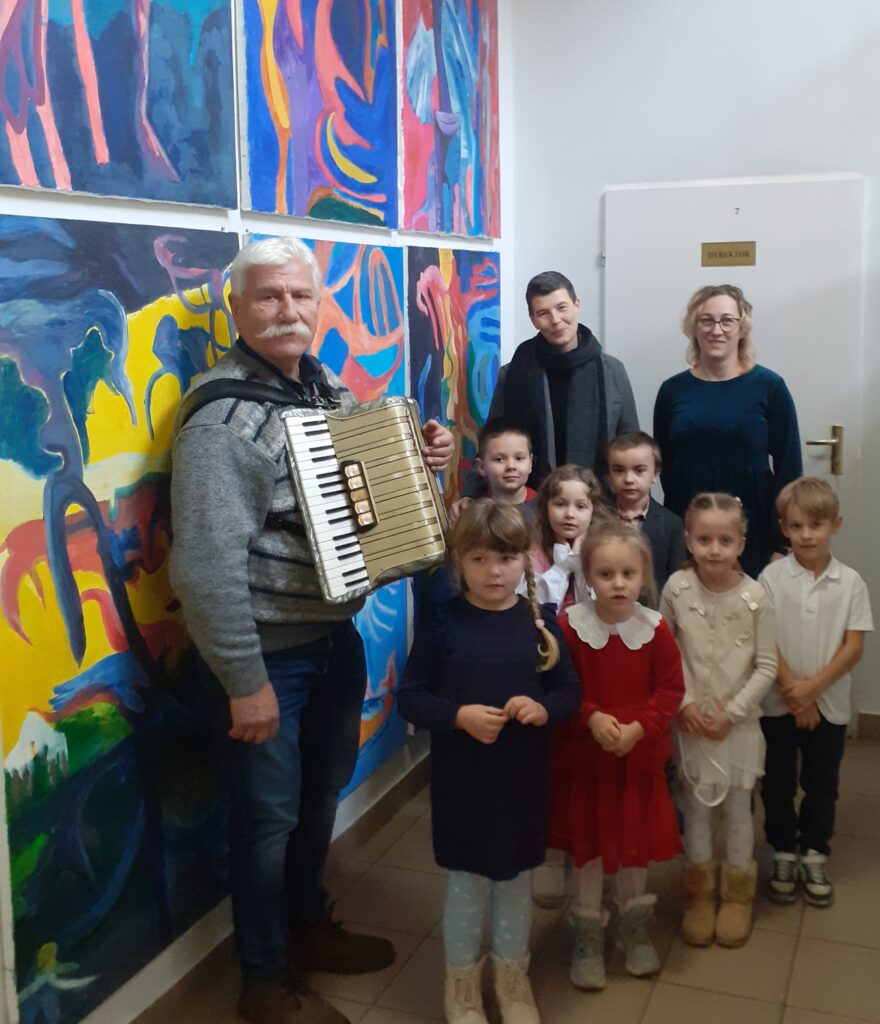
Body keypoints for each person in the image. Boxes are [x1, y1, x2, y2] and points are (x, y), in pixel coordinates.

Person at [169, 236, 454, 1024]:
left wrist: (420, 456)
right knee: (266, 823)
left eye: (301, 295)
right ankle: (264, 981)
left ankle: (305, 928)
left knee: (320, 795)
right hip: (266, 659)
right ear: (236, 308)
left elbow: (360, 486)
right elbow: (204, 569)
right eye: (268, 296)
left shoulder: (319, 387)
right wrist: (244, 680)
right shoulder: (225, 420)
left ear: (319, 304)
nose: (288, 310)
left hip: (332, 641)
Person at [398, 501, 580, 1024]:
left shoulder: (541, 623)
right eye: (478, 559)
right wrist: (458, 716)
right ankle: (461, 983)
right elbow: (411, 698)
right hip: (463, 784)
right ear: (460, 561)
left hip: (521, 783)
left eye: (504, 558)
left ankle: (511, 976)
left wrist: (542, 708)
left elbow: (569, 693)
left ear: (525, 559)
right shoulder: (443, 622)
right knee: (466, 885)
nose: (493, 572)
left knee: (515, 882)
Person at [547, 520, 684, 990]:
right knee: (588, 850)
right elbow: (561, 688)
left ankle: (633, 927)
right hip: (588, 759)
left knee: (633, 848)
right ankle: (587, 933)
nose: (618, 584)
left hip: (637, 759)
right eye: (606, 574)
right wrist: (590, 717)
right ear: (588, 576)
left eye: (628, 573)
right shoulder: (569, 628)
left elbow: (670, 690)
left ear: (644, 576)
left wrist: (640, 726)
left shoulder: (655, 629)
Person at [660, 493, 777, 949]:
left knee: (739, 809)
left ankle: (736, 895)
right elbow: (666, 653)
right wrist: (684, 703)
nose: (714, 549)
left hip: (738, 725)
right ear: (689, 540)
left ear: (740, 543)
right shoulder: (677, 589)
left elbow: (766, 666)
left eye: (725, 540)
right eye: (704, 539)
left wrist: (732, 714)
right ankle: (699, 893)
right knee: (696, 808)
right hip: (690, 723)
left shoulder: (756, 597)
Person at [759, 478, 873, 908]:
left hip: (828, 704)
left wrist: (810, 691)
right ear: (783, 528)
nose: (806, 535)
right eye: (796, 526)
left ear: (835, 525)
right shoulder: (771, 578)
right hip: (778, 702)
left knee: (822, 784)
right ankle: (783, 850)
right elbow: (763, 639)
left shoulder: (851, 583)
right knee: (777, 783)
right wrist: (793, 691)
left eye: (816, 525)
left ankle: (814, 851)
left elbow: (853, 647)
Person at [653, 284, 802, 578]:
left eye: (727, 321)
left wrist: (781, 542)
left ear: (742, 327)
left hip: (755, 529)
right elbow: (665, 468)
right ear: (693, 327)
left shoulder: (770, 387)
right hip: (690, 528)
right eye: (706, 320)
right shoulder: (672, 391)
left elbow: (789, 467)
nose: (716, 330)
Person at [462, 271, 638, 496]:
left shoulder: (612, 371)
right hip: (531, 503)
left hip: (597, 501)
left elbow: (631, 445)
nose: (555, 320)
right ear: (533, 319)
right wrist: (471, 494)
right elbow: (493, 442)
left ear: (576, 305)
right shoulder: (513, 373)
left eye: (562, 308)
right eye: (543, 313)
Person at [607, 430, 686, 599]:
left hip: (653, 611)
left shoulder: (672, 524)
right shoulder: (596, 517)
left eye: (639, 470)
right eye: (619, 470)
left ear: (655, 474)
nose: (629, 479)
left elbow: (677, 582)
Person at [532, 464, 611, 612]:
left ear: (593, 510)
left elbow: (598, 609)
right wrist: (563, 565)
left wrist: (578, 557)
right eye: (560, 504)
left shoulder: (604, 548)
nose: (569, 514)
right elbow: (538, 606)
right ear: (546, 507)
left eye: (580, 506)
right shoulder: (535, 548)